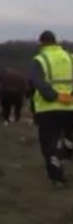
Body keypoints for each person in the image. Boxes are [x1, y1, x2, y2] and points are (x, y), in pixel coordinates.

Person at [30, 30, 73, 187]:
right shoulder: (69, 57)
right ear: (56, 41)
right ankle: (68, 146)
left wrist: (53, 96)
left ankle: (56, 178)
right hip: (70, 107)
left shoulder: (39, 59)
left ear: (41, 42)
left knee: (49, 143)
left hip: (48, 109)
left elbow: (37, 82)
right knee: (66, 136)